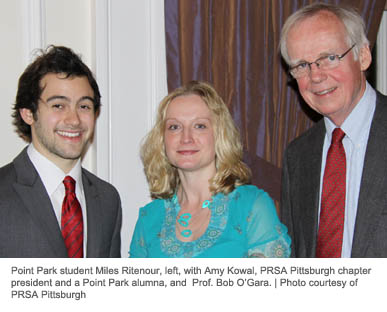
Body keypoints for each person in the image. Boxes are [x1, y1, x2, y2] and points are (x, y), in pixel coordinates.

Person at [129, 81, 290, 257]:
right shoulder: (149, 218)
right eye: (174, 127)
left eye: (200, 126)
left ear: (219, 135)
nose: (186, 138)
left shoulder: (251, 206)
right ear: (162, 139)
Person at [279, 3, 387, 257]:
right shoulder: (298, 156)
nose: (316, 76)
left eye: (329, 58)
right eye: (302, 65)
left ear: (363, 56)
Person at [0, 46, 122, 257]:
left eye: (84, 106)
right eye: (58, 106)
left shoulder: (107, 199)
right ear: (28, 113)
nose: (74, 120)